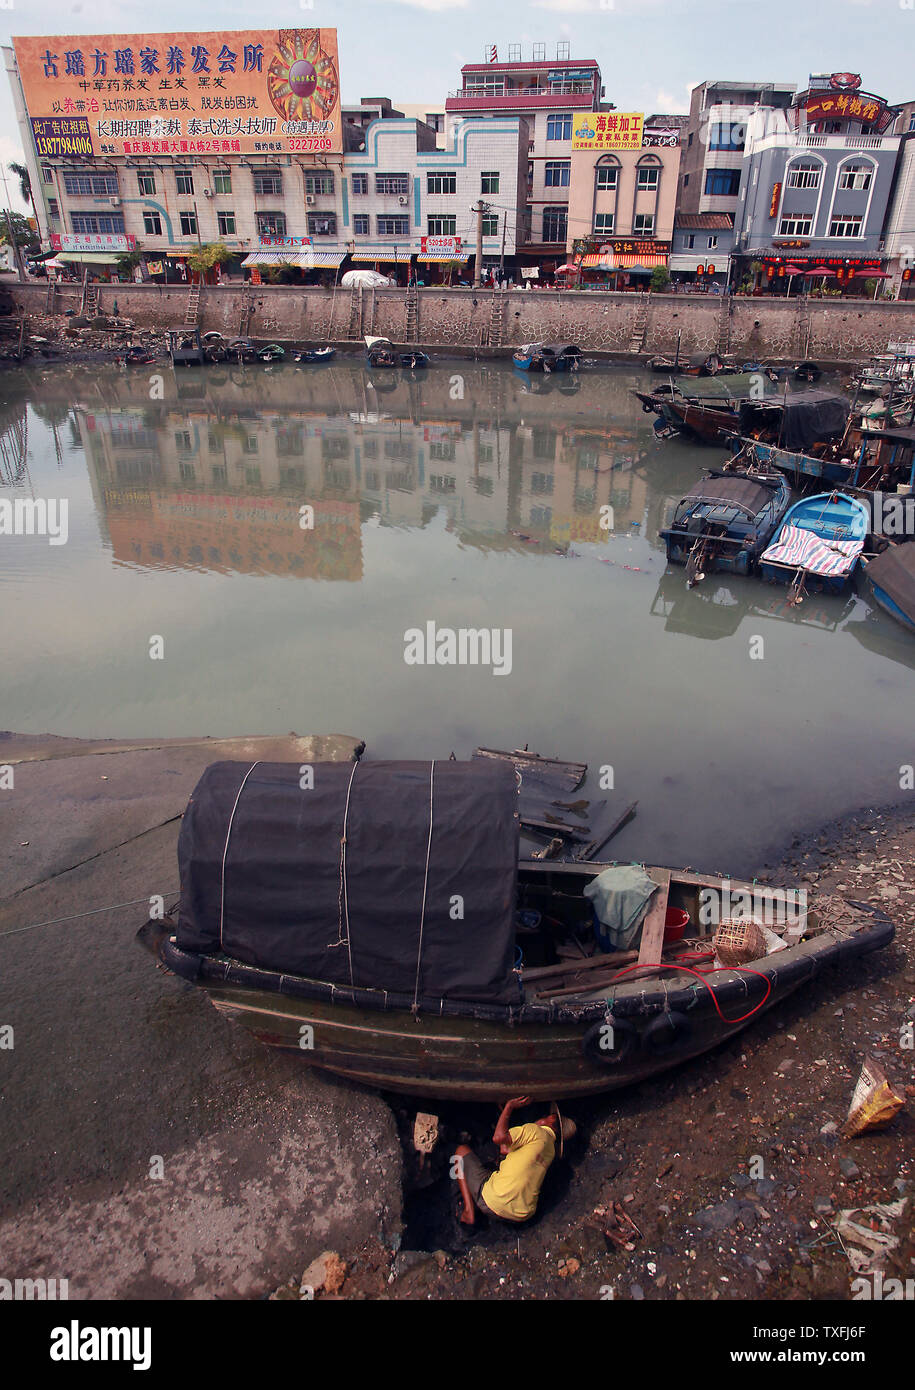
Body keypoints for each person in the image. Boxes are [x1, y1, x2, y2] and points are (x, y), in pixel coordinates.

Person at [453, 1095, 576, 1226]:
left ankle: (468, 1212)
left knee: (460, 1152)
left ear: (551, 1118)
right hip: (522, 1214)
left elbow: (498, 1138)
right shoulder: (551, 1152)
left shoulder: (535, 1131)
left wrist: (509, 1107)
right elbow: (504, 1149)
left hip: (494, 1200)